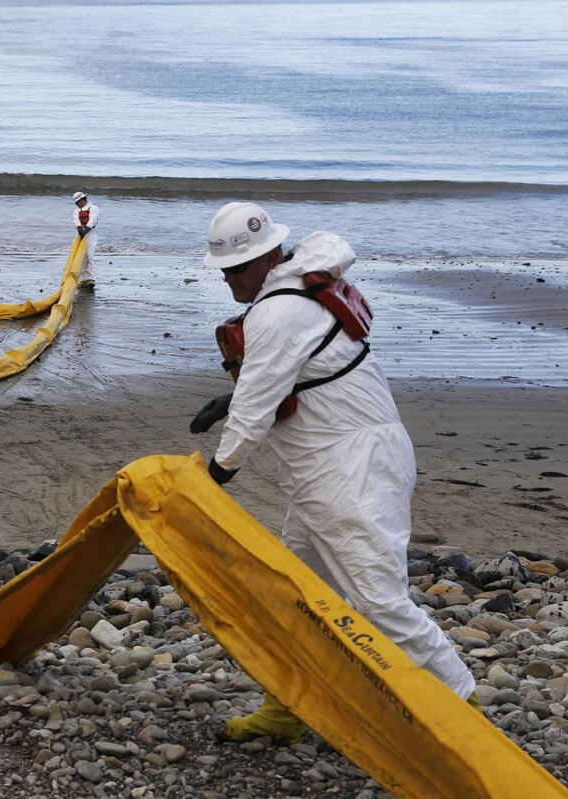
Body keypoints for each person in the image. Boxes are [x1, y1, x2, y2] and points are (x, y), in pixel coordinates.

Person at [190, 201, 477, 744]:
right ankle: (287, 707)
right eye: (223, 271)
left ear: (268, 255)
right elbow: (298, 375)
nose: (228, 282)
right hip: (334, 467)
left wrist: (214, 477)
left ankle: (469, 719)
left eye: (235, 269)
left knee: (379, 604)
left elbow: (256, 409)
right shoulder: (296, 290)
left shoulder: (276, 312)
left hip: (351, 472)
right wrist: (233, 399)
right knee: (296, 593)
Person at [72, 191, 99, 290]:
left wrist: (86, 229)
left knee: (89, 255)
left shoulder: (94, 208)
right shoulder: (76, 210)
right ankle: (83, 279)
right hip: (80, 234)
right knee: (80, 256)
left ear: (82, 200)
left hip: (91, 234)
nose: (76, 204)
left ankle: (90, 278)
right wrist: (79, 228)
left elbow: (93, 219)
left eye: (77, 202)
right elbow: (75, 219)